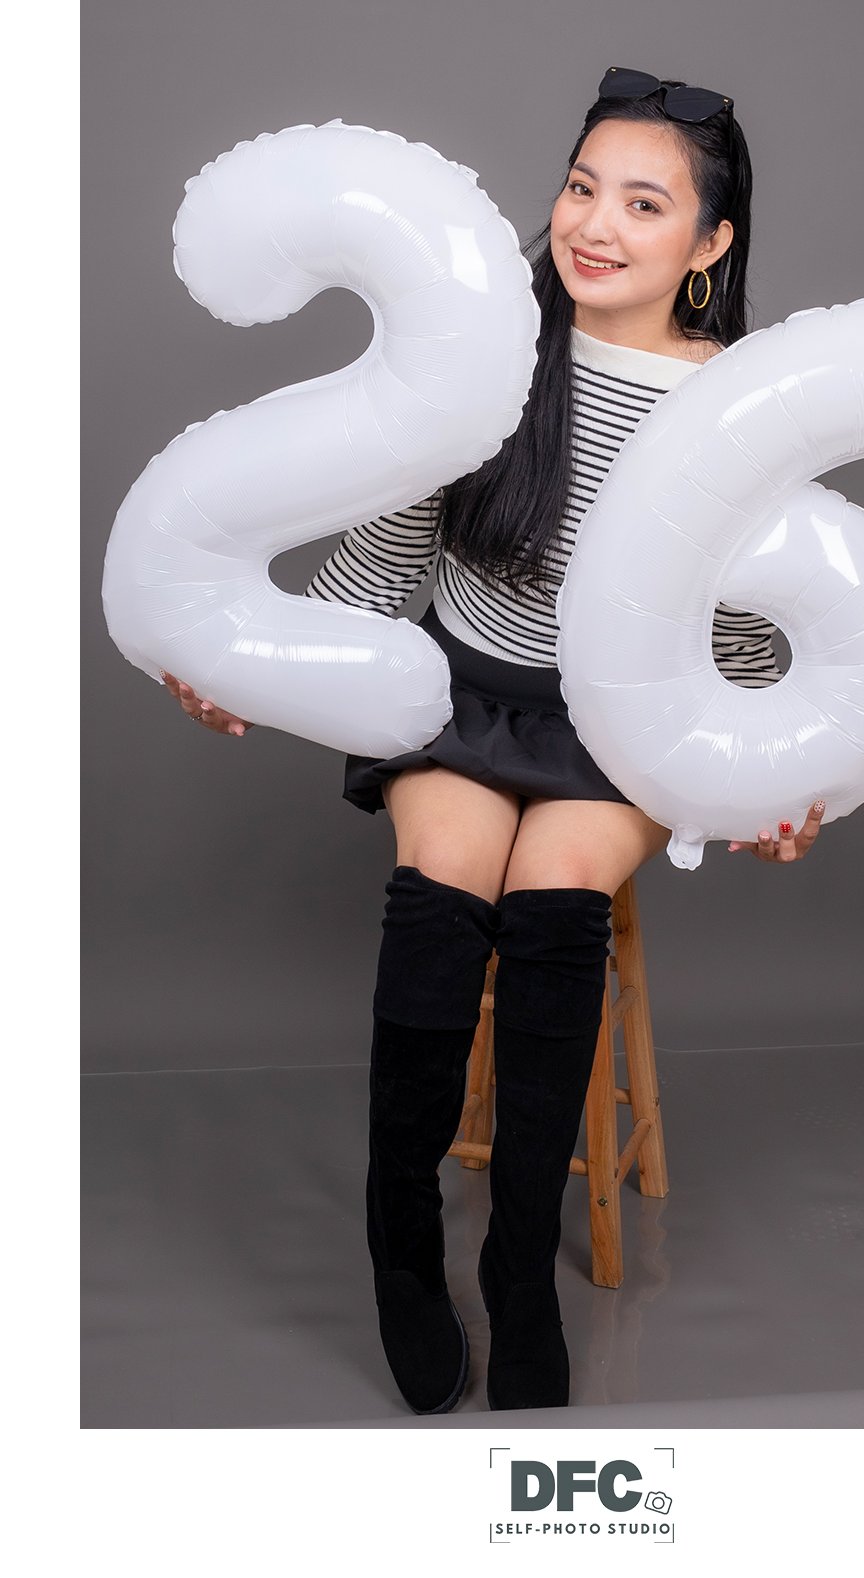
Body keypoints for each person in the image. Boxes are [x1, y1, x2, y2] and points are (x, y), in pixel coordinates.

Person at [160, 68, 824, 1415]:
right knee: (446, 876)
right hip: (462, 695)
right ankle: (402, 1247)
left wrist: (772, 773)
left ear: (708, 244)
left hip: (616, 725)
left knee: (555, 890)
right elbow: (387, 552)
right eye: (580, 187)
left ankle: (521, 1269)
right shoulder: (489, 348)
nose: (594, 224)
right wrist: (254, 664)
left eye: (643, 204)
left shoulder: (743, 404)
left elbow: (762, 630)